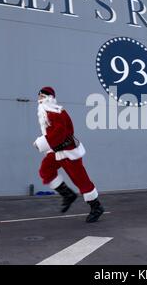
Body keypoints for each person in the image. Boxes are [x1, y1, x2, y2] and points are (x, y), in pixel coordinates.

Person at [33, 87, 105, 223]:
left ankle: (96, 207)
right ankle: (68, 195)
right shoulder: (47, 112)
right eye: (39, 96)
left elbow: (60, 132)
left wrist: (41, 143)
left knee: (80, 179)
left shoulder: (56, 112)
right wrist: (45, 142)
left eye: (42, 96)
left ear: (50, 98)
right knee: (46, 170)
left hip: (68, 151)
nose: (40, 99)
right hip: (56, 150)